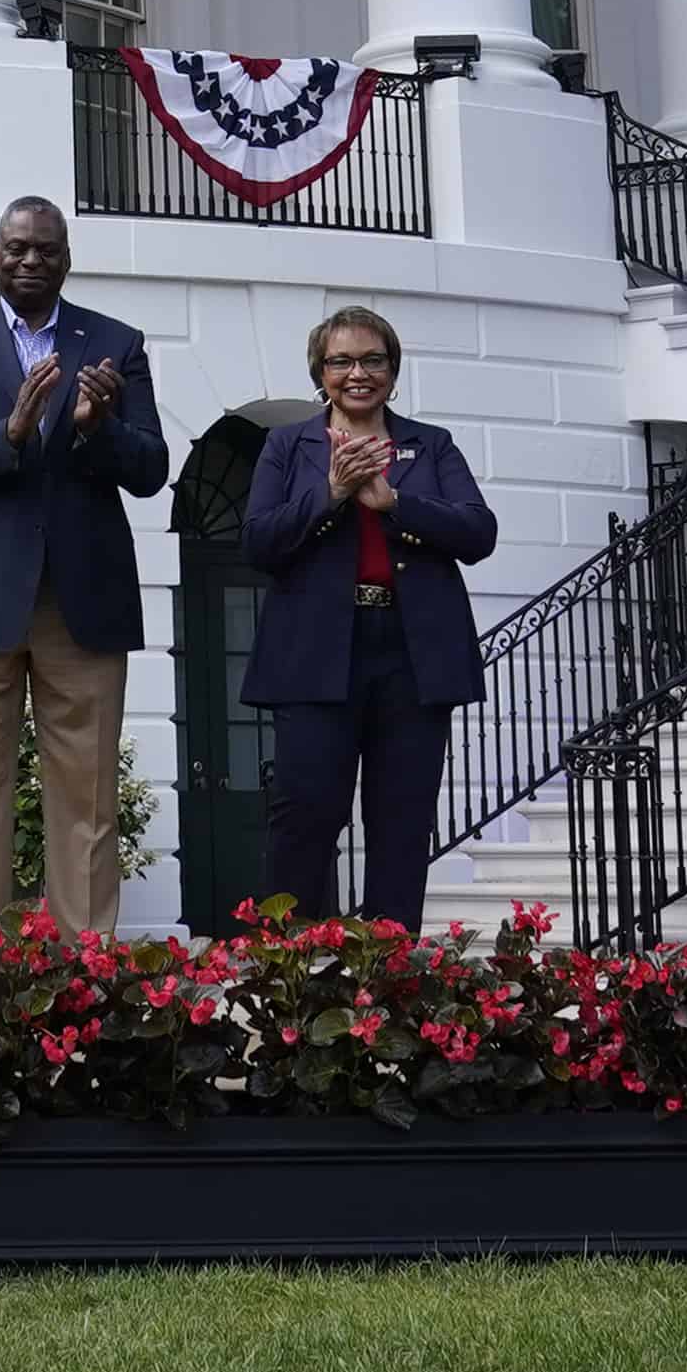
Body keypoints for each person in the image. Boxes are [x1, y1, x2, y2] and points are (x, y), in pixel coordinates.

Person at [0, 194, 168, 933]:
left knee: (86, 799)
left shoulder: (115, 341)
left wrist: (99, 429)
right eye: (15, 248)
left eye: (45, 249)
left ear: (66, 259)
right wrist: (7, 433)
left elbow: (150, 468)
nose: (28, 261)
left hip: (82, 595)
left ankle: (88, 977)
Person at [240, 304, 497, 932]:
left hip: (410, 654)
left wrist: (395, 503)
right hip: (315, 654)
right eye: (342, 361)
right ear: (320, 372)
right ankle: (287, 969)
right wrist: (328, 493)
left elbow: (478, 531)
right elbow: (258, 543)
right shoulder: (286, 445)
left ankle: (390, 972)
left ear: (393, 369)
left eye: (372, 360)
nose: (358, 373)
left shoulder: (430, 445)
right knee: (305, 812)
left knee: (402, 817)